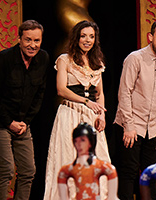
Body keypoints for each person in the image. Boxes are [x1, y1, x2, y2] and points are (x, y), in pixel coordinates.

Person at [44, 20, 110, 200]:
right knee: (68, 155)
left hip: (91, 117)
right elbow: (61, 89)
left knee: (95, 158)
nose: (87, 40)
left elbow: (100, 93)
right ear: (76, 38)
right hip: (70, 113)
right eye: (83, 36)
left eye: (91, 36)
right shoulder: (65, 59)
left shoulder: (96, 62)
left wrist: (101, 114)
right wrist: (86, 102)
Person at [113, 18, 156, 200]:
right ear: (151, 36)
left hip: (153, 130)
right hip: (131, 126)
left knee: (150, 175)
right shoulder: (135, 58)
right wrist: (129, 126)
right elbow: (124, 93)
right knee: (129, 172)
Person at [0, 20, 49, 200]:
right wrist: (9, 123)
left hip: (22, 124)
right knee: (6, 170)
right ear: (19, 39)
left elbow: (39, 94)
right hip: (1, 122)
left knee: (28, 171)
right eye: (28, 40)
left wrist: (25, 123)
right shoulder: (4, 59)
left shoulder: (43, 58)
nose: (32, 45)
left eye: (36, 41)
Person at [58, 123, 118, 200]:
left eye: (83, 140)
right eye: (76, 141)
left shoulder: (104, 167)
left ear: (91, 142)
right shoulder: (66, 170)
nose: (79, 144)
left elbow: (112, 197)